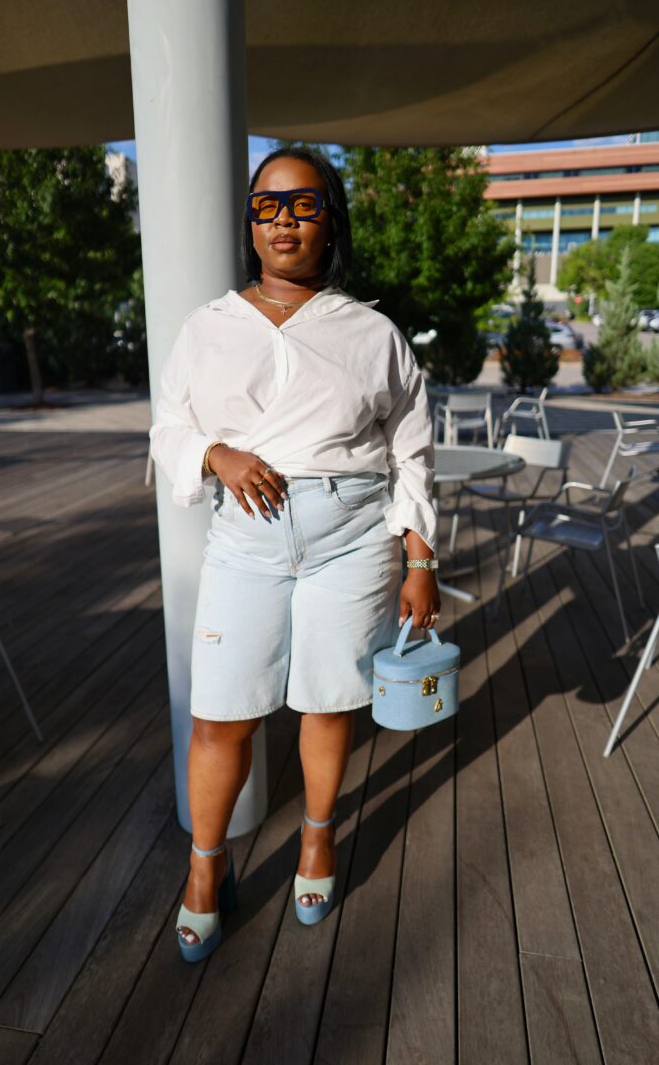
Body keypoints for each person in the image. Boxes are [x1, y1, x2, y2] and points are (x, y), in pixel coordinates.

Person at [149, 147, 439, 962]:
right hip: (246, 539)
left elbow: (412, 450)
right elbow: (168, 426)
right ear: (250, 224)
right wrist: (215, 454)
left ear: (330, 220)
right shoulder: (209, 326)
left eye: (304, 204)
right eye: (267, 206)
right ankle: (206, 866)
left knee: (327, 703)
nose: (284, 221)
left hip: (353, 537)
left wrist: (421, 561)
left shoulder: (372, 333)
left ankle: (317, 836)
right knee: (219, 715)